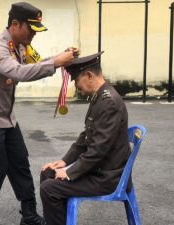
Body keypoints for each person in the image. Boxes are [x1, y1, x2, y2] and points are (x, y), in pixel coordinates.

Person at [0, 2, 78, 225]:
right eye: (32, 30)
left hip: (7, 120)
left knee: (20, 165)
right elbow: (19, 72)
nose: (34, 36)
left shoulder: (20, 47)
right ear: (15, 24)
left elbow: (38, 64)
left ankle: (28, 215)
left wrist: (61, 57)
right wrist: (57, 62)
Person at [39, 52, 132, 225]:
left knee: (49, 189)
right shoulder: (99, 97)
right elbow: (86, 137)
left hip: (107, 178)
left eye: (76, 80)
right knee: (47, 173)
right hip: (99, 171)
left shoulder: (109, 102)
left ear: (89, 76)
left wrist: (68, 172)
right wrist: (64, 161)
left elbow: (97, 151)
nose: (76, 86)